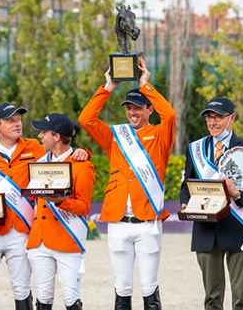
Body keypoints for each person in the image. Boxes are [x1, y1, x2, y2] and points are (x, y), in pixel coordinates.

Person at [0, 102, 86, 310]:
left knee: (22, 289)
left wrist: (82, 151)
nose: (17, 124)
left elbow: (61, 150)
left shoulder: (35, 147)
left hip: (21, 231)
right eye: (10, 121)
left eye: (19, 119)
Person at [78, 58, 175, 310]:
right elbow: (86, 119)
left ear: (149, 109)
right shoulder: (114, 136)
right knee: (122, 288)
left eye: (138, 108)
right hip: (118, 223)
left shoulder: (160, 134)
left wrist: (146, 86)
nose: (132, 112)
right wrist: (108, 86)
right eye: (129, 108)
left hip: (147, 224)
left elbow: (171, 114)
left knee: (148, 288)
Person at [179, 97, 243, 310]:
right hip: (205, 228)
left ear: (232, 118)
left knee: (242, 301)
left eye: (218, 117)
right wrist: (186, 203)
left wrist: (237, 193)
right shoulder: (195, 149)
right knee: (211, 300)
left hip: (239, 227)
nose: (213, 122)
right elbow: (186, 186)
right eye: (209, 117)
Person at [26, 113, 96, 310]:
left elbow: (83, 207)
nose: (40, 136)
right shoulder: (38, 163)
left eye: (44, 132)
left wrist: (61, 201)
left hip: (67, 239)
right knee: (43, 298)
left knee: (71, 299)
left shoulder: (83, 167)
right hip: (39, 240)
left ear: (56, 136)